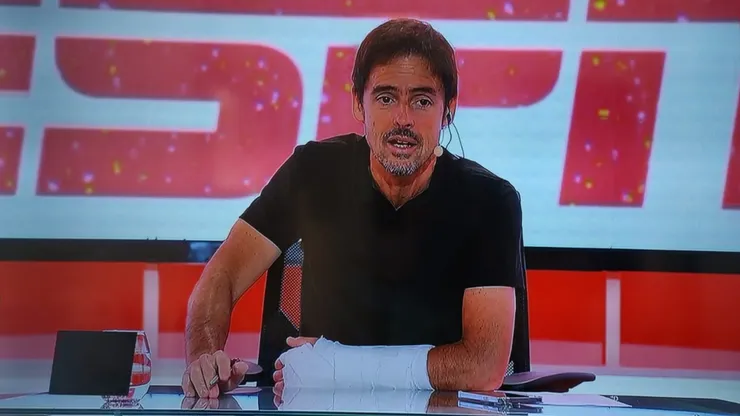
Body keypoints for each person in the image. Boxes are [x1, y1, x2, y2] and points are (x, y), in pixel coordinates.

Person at [182, 17, 525, 398]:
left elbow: (482, 367)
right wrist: (205, 358)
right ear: (358, 103)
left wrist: (338, 367)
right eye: (386, 98)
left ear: (449, 111)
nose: (403, 119)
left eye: (422, 101)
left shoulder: (490, 200)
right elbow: (224, 273)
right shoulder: (312, 172)